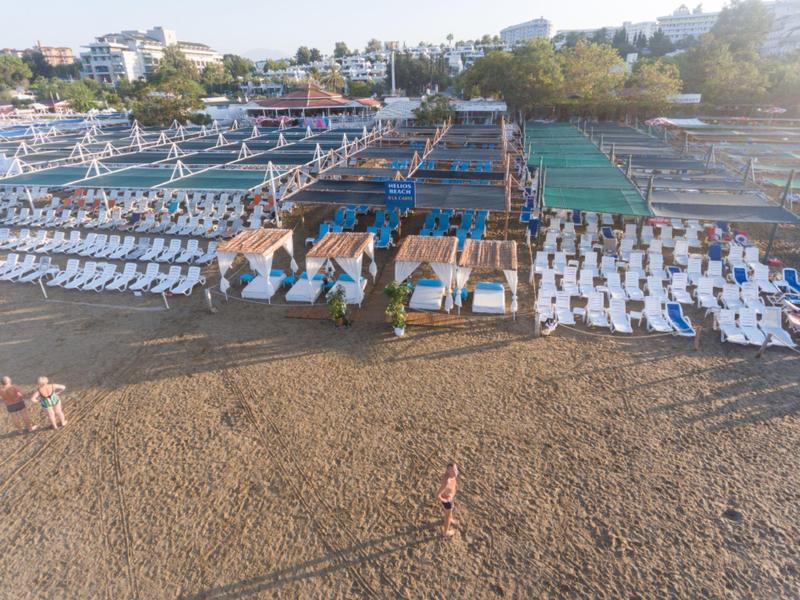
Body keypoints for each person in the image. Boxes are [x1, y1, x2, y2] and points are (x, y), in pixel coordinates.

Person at [436, 463, 459, 538]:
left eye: (455, 469)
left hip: (450, 497)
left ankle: (451, 519)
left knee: (450, 511)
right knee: (447, 516)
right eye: (452, 471)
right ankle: (445, 532)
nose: (455, 472)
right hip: (447, 500)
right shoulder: (447, 481)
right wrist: (445, 501)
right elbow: (437, 495)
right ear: (448, 471)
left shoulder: (453, 475)